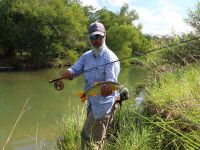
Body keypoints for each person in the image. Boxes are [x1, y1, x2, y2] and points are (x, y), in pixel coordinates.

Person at [62, 21, 120, 149]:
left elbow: (111, 85)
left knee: (91, 138)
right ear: (89, 38)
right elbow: (75, 69)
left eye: (99, 37)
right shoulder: (86, 56)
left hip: (104, 106)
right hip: (91, 101)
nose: (96, 40)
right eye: (92, 37)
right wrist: (69, 72)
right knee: (90, 137)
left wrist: (108, 91)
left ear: (105, 36)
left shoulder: (111, 58)